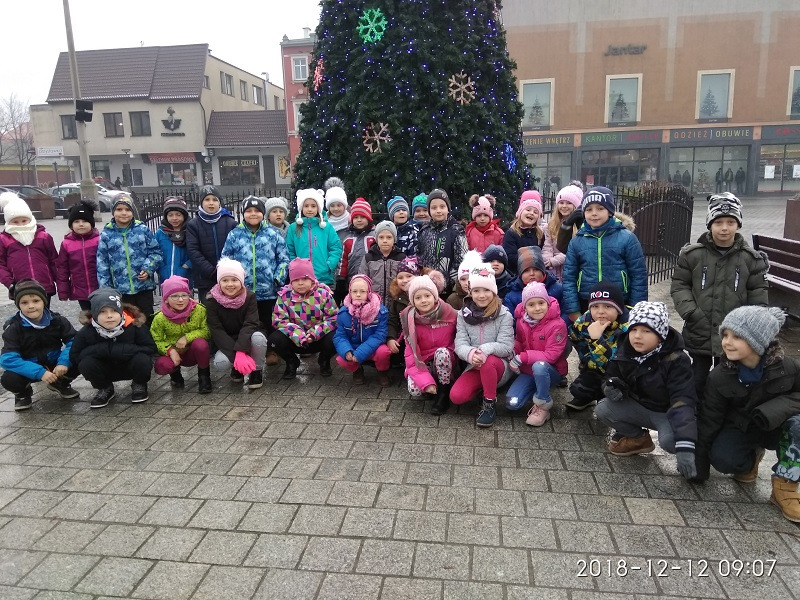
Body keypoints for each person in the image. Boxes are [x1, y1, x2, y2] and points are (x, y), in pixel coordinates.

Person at [695, 307, 800, 523]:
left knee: (798, 426)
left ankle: (785, 485)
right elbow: (710, 419)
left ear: (758, 340)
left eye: (737, 337)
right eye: (725, 335)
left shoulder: (788, 367)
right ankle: (752, 458)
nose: (727, 342)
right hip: (743, 427)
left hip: (779, 427)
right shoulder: (719, 376)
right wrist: (699, 468)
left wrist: (774, 409)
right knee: (723, 460)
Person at [670, 193, 768, 401]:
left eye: (730, 222)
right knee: (697, 378)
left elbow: (757, 293)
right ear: (709, 224)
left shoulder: (750, 259)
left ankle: (721, 412)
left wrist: (750, 323)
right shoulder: (693, 255)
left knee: (728, 379)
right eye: (718, 222)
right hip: (700, 329)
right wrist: (691, 312)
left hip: (734, 332)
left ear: (738, 224)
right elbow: (680, 285)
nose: (724, 228)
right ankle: (693, 411)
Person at [595, 302, 698, 483]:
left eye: (646, 331)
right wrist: (610, 387)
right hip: (639, 407)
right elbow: (609, 375)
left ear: (660, 335)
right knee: (603, 409)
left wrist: (685, 445)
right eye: (634, 330)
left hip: (667, 413)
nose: (637, 336)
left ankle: (695, 451)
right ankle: (639, 439)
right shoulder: (625, 348)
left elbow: (682, 401)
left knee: (671, 442)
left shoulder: (676, 360)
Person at [562, 187, 647, 319]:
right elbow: (569, 277)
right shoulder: (576, 242)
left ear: (610, 211)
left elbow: (638, 275)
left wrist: (637, 308)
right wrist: (573, 310)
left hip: (621, 303)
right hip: (587, 303)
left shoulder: (627, 238)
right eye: (589, 209)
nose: (594, 213)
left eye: (600, 208)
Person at [70, 287, 157, 409]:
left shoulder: (135, 326)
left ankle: (139, 384)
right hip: (104, 369)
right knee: (86, 363)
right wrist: (103, 349)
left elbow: (151, 349)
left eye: (114, 311)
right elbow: (75, 356)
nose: (109, 316)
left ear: (121, 311)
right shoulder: (86, 332)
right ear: (94, 313)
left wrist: (121, 349)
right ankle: (105, 388)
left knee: (143, 360)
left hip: (129, 365)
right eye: (102, 312)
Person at [0, 279, 80, 410]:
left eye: (36, 301)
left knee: (81, 356)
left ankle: (61, 383)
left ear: (44, 301)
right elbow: (7, 359)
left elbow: (75, 341)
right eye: (24, 302)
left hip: (55, 364)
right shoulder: (14, 327)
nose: (31, 306)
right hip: (29, 368)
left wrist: (64, 362)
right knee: (9, 379)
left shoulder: (57, 320)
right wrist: (39, 372)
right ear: (18, 305)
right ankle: (23, 394)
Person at [451, 263, 515, 427]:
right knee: (457, 396)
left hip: (499, 365)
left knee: (488, 362)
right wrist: (471, 354)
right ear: (470, 292)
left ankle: (489, 403)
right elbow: (460, 343)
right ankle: (486, 386)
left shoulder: (504, 315)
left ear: (493, 291)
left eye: (486, 290)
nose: (481, 295)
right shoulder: (463, 315)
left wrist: (484, 350)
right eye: (476, 290)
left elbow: (507, 346)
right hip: (475, 364)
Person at [221, 196, 289, 333]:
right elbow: (226, 260)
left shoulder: (273, 234)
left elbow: (284, 260)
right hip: (242, 293)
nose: (253, 214)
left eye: (257, 211)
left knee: (269, 326)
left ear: (263, 213)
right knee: (246, 327)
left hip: (268, 293)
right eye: (249, 211)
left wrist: (277, 279)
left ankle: (270, 346)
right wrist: (231, 282)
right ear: (243, 213)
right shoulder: (234, 235)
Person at [505, 281, 568, 426]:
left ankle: (543, 404)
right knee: (512, 403)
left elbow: (551, 355)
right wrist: (513, 351)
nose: (537, 308)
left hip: (550, 370)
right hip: (528, 371)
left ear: (547, 303)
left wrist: (523, 357)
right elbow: (519, 340)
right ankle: (537, 388)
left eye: (541, 303)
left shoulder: (558, 325)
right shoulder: (522, 321)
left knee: (539, 366)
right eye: (531, 304)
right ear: (525, 307)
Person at [96, 195, 163, 324]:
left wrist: (148, 269)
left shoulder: (142, 230)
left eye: (127, 209)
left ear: (133, 212)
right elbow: (102, 264)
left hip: (143, 287)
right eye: (119, 209)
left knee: (146, 319)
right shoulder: (106, 234)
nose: (124, 213)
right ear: (113, 212)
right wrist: (106, 290)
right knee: (125, 321)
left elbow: (155, 252)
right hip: (120, 289)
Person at [205, 258, 268, 389]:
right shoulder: (211, 300)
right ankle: (237, 367)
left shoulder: (249, 296)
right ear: (219, 282)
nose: (230, 284)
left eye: (234, 280)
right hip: (228, 339)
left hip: (248, 335)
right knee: (221, 362)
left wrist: (241, 350)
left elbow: (250, 323)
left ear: (241, 281)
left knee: (258, 338)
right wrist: (237, 356)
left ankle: (256, 371)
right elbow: (216, 329)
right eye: (225, 280)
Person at [270, 258, 338, 380]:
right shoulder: (284, 297)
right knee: (274, 339)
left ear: (312, 279)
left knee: (337, 337)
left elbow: (333, 318)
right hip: (295, 339)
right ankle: (291, 361)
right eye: (296, 280)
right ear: (291, 281)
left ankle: (324, 360)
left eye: (305, 279)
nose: (300, 283)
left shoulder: (324, 294)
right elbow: (279, 320)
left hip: (317, 338)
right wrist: (298, 334)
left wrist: (314, 333)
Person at [567, 281, 629, 411]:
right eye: (595, 306)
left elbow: (613, 364)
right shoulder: (585, 321)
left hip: (619, 374)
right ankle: (590, 397)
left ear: (618, 309)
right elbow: (574, 337)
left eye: (607, 306)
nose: (600, 312)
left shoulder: (627, 329)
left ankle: (610, 403)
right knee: (577, 388)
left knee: (611, 393)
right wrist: (586, 358)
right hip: (595, 368)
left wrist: (596, 340)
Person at [401, 274, 458, 415]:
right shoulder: (409, 319)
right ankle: (431, 387)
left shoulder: (450, 313)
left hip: (445, 360)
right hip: (423, 361)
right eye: (418, 297)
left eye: (427, 296)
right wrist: (425, 382)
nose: (423, 300)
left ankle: (444, 391)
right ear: (412, 301)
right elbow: (410, 355)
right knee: (414, 390)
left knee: (442, 353)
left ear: (435, 296)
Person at [150, 275, 212, 393]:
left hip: (192, 352)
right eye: (174, 296)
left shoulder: (199, 310)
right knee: (162, 365)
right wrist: (170, 351)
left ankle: (204, 377)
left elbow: (207, 331)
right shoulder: (160, 318)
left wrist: (187, 337)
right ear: (166, 299)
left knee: (201, 344)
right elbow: (156, 339)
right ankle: (175, 375)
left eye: (184, 295)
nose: (180, 300)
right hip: (173, 353)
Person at [0, 192, 58, 303]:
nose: (21, 224)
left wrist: (60, 281)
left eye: (24, 220)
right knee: (27, 312)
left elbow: (54, 261)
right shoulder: (4, 239)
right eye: (15, 222)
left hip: (44, 285)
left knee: (44, 312)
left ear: (30, 219)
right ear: (8, 222)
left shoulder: (44, 237)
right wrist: (10, 283)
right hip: (20, 288)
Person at [334, 274, 390, 386]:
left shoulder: (380, 311)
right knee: (341, 358)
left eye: (362, 291)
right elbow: (340, 336)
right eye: (354, 291)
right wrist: (347, 350)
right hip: (353, 346)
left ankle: (382, 372)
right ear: (350, 292)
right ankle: (357, 370)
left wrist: (361, 352)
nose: (358, 294)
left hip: (374, 347)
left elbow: (380, 335)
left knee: (383, 352)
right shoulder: (343, 312)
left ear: (369, 292)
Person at [186, 184, 237, 301]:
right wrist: (212, 272)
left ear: (219, 202)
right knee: (209, 308)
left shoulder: (230, 222)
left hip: (229, 277)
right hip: (205, 279)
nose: (211, 203)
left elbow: (236, 249)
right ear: (201, 202)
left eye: (214, 199)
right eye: (207, 199)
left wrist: (226, 270)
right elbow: (193, 251)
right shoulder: (194, 225)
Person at [286, 188, 343, 289]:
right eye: (306, 206)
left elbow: (335, 248)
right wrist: (294, 265)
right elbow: (289, 250)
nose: (309, 209)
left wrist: (329, 265)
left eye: (313, 206)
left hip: (323, 278)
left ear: (318, 207)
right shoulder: (293, 228)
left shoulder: (326, 227)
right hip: (301, 279)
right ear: (301, 207)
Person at [417, 188, 468, 295]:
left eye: (442, 206)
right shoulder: (424, 230)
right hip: (427, 286)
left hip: (449, 288)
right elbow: (420, 258)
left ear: (448, 209)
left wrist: (450, 283)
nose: (438, 210)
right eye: (434, 208)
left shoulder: (456, 230)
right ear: (429, 211)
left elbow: (461, 260)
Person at [503, 246, 566, 326]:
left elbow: (567, 312)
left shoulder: (558, 289)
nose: (532, 273)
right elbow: (511, 323)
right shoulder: (512, 296)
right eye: (526, 271)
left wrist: (558, 327)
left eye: (536, 269)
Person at [56, 200, 100, 311]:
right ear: (71, 225)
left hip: (100, 287)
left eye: (85, 221)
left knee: (101, 314)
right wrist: (63, 291)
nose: (81, 224)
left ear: (91, 223)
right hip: (80, 289)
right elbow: (62, 268)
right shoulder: (67, 244)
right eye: (76, 221)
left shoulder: (99, 240)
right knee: (87, 315)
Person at [336, 197, 375, 304]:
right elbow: (343, 260)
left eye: (362, 217)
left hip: (371, 278)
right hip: (352, 280)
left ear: (368, 218)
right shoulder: (348, 239)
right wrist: (341, 277)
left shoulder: (374, 236)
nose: (359, 220)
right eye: (356, 217)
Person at [359, 220, 406, 306]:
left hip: (396, 304)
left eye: (389, 237)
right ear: (376, 239)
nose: (385, 240)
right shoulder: (368, 258)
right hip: (374, 303)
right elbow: (362, 280)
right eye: (381, 237)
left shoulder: (401, 258)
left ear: (394, 239)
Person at [542, 184, 582, 282]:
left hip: (571, 267)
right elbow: (547, 246)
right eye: (561, 202)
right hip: (553, 270)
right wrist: (547, 260)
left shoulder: (579, 226)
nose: (564, 206)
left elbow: (572, 250)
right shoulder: (550, 225)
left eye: (569, 203)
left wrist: (555, 260)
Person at [502, 190, 544, 277]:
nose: (531, 213)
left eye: (535, 212)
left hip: (535, 274)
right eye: (528, 210)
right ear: (520, 212)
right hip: (515, 274)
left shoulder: (539, 234)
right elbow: (510, 256)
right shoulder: (511, 233)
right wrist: (530, 259)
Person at [155, 196, 192, 288]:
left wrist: (186, 266)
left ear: (184, 216)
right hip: (165, 278)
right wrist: (161, 268)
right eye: (170, 215)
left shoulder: (191, 231)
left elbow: (197, 250)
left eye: (178, 215)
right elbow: (154, 251)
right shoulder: (160, 233)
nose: (174, 218)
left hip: (185, 278)